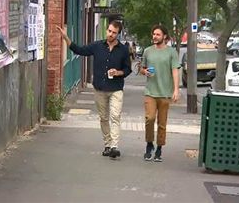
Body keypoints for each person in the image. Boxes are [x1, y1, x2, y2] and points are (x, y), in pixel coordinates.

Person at [56, 20, 131, 159]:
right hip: (100, 88)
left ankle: (114, 146)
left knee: (115, 116)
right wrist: (65, 37)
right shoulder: (97, 46)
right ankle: (107, 145)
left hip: (116, 88)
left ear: (118, 34)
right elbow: (79, 50)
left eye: (114, 32)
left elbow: (128, 69)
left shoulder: (123, 50)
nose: (110, 34)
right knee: (103, 117)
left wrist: (118, 72)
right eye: (109, 31)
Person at [140, 24, 179, 162]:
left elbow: (175, 70)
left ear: (165, 37)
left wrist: (176, 90)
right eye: (154, 34)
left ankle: (159, 148)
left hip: (165, 93)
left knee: (162, 123)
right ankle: (149, 144)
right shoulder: (147, 51)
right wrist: (144, 71)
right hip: (150, 92)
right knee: (149, 118)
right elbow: (142, 68)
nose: (155, 37)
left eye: (157, 34)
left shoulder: (171, 52)